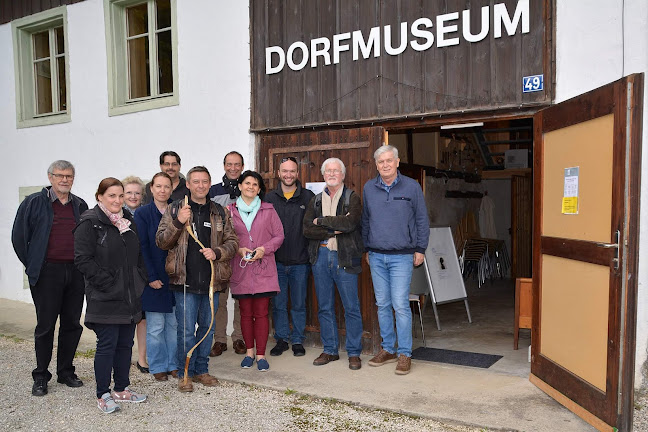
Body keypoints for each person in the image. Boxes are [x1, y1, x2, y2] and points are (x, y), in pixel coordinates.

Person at [156, 166, 239, 393]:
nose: (200, 186)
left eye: (204, 182)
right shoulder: (175, 209)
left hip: (212, 282)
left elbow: (233, 242)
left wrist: (218, 253)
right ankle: (186, 373)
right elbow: (162, 241)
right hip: (184, 282)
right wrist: (178, 222)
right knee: (185, 331)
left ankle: (202, 370)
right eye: (196, 182)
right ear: (188, 185)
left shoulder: (220, 212)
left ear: (209, 184)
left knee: (207, 329)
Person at [11, 160, 88, 397]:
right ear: (50, 177)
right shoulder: (33, 202)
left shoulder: (79, 204)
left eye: (69, 176)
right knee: (45, 326)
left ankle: (65, 372)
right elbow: (19, 238)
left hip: (75, 273)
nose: (64, 180)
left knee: (72, 324)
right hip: (47, 273)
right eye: (60, 175)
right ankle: (41, 376)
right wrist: (36, 265)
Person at [74, 178, 148, 413]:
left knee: (126, 343)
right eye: (111, 196)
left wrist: (140, 279)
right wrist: (107, 282)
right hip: (105, 295)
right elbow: (82, 260)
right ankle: (103, 393)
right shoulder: (90, 223)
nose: (117, 200)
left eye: (120, 196)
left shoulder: (127, 222)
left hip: (128, 296)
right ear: (100, 197)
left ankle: (122, 388)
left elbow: (137, 255)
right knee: (107, 344)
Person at [362, 145, 429, 375]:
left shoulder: (411, 186)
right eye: (381, 162)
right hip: (377, 255)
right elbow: (366, 221)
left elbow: (421, 219)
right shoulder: (369, 188)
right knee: (382, 304)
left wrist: (420, 248)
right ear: (376, 164)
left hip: (402, 256)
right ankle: (388, 348)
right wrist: (367, 249)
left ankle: (405, 353)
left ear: (397, 162)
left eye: (389, 160)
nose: (385, 165)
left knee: (400, 304)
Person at [303, 158, 364, 370]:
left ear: (343, 174)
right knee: (325, 307)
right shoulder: (315, 200)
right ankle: (330, 349)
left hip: (344, 257)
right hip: (320, 257)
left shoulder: (352, 198)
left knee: (352, 307)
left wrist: (321, 221)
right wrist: (333, 227)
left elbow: (350, 224)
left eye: (336, 171)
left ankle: (354, 353)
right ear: (323, 175)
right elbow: (307, 229)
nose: (331, 174)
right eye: (328, 171)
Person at [228, 171, 284, 371]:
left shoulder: (268, 210)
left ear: (259, 189)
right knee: (245, 313)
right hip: (241, 269)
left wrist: (263, 249)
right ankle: (249, 353)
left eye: (255, 184)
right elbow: (226, 238)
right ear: (240, 186)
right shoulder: (229, 211)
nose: (251, 187)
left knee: (261, 313)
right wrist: (238, 249)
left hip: (264, 268)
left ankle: (261, 355)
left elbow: (279, 236)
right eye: (247, 183)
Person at [265, 157, 315, 357]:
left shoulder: (308, 197)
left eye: (292, 171)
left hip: (300, 262)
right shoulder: (269, 199)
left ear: (297, 173)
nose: (288, 175)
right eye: (285, 171)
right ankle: (282, 339)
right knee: (278, 304)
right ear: (279, 173)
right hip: (275, 262)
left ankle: (297, 340)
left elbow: (314, 226)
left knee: (299, 304)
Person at [133, 172, 178, 381]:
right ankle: (158, 364)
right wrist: (150, 276)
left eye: (166, 186)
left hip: (175, 277)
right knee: (155, 327)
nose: (162, 190)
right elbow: (141, 247)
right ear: (151, 189)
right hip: (154, 277)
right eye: (158, 186)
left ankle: (173, 364)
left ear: (171, 189)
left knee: (173, 324)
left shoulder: (177, 211)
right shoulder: (142, 214)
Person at [208, 151, 246, 357]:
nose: (233, 168)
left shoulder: (248, 188)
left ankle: (238, 337)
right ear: (224, 166)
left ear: (242, 166)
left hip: (242, 254)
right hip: (221, 254)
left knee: (240, 299)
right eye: (229, 164)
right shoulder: (213, 191)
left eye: (237, 164)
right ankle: (219, 340)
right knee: (220, 301)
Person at [122, 175, 149, 374]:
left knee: (142, 318)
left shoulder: (144, 214)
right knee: (123, 318)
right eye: (129, 192)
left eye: (137, 193)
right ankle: (121, 357)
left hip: (141, 273)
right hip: (121, 275)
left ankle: (142, 359)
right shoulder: (115, 215)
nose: (133, 196)